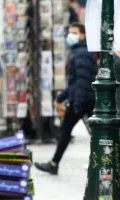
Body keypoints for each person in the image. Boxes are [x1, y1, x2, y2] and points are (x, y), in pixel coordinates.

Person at [35, 24, 97, 175]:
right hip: (83, 98)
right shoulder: (79, 51)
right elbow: (75, 82)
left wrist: (77, 103)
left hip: (81, 99)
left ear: (82, 35)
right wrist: (61, 97)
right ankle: (55, 163)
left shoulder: (81, 53)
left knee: (69, 131)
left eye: (74, 33)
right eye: (69, 32)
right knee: (91, 133)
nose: (70, 35)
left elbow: (82, 81)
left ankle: (54, 163)